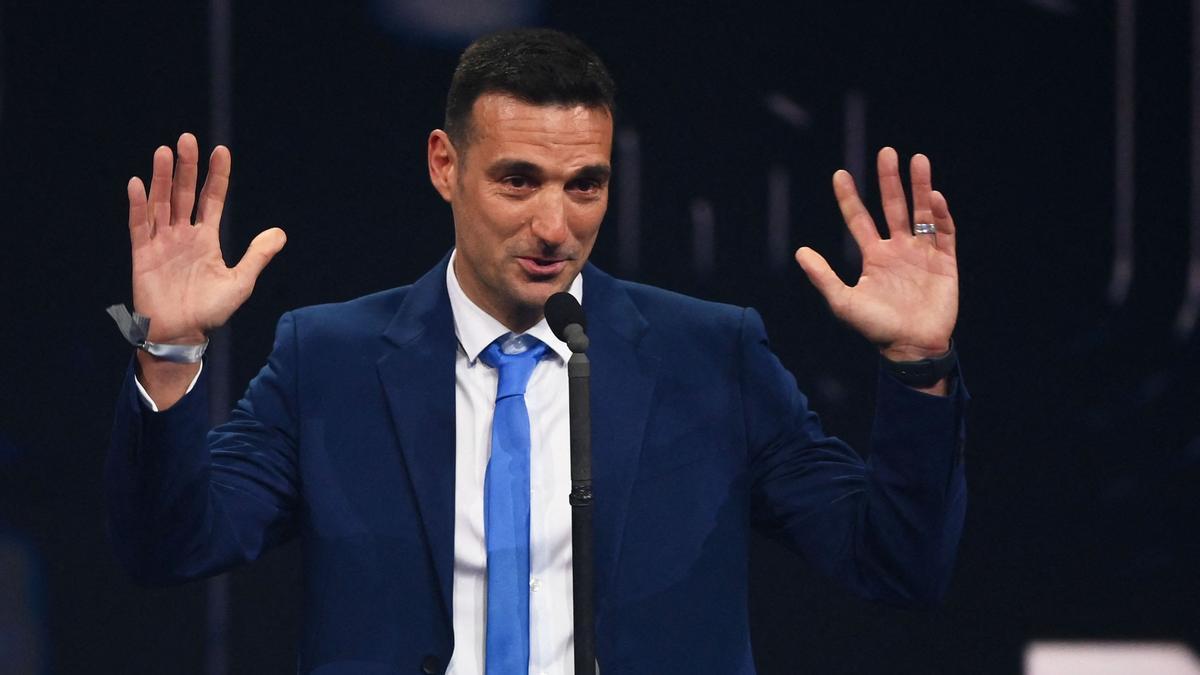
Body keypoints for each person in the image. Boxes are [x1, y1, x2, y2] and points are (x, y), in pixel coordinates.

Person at [107, 28, 967, 675]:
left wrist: (919, 368)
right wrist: (171, 349)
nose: (555, 227)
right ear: (445, 164)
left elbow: (893, 560)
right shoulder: (326, 359)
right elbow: (171, 547)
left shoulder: (711, 356)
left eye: (583, 184)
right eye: (518, 180)